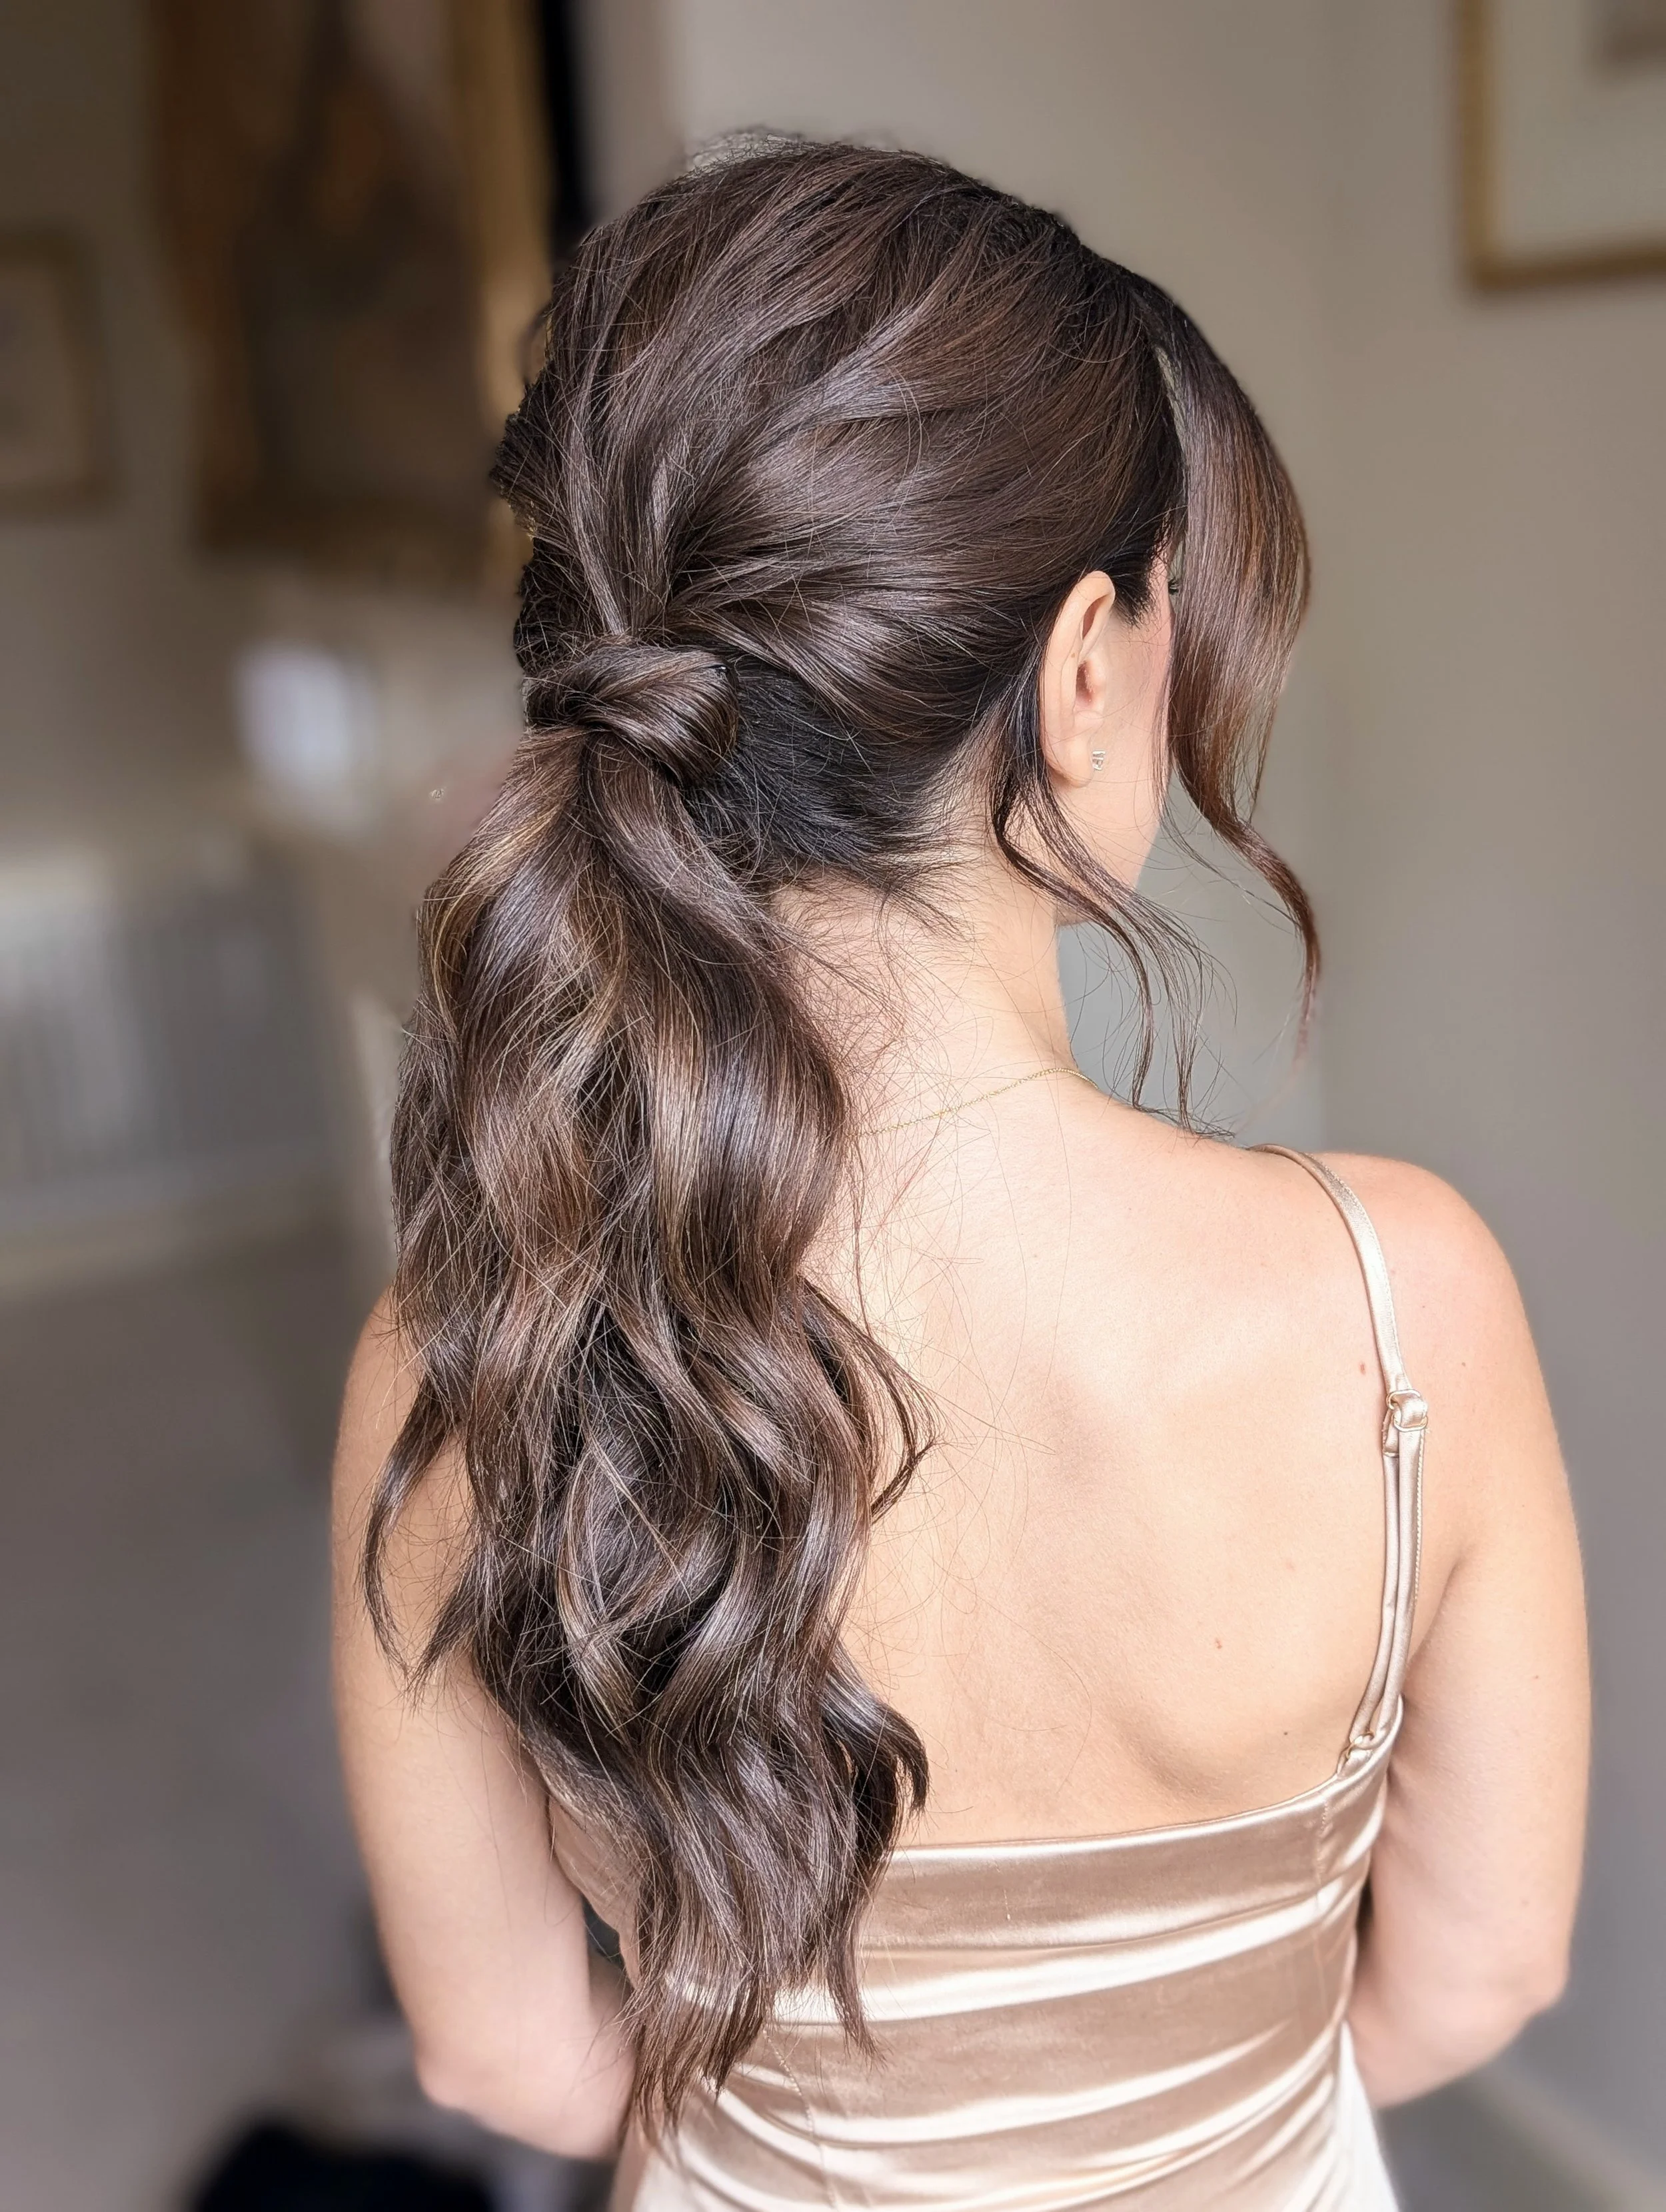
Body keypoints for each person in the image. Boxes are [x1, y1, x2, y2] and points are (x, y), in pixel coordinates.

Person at [331, 140, 1589, 2209]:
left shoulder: (470, 1343)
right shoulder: (1402, 1304)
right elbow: (1481, 1969)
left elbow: (497, 2051)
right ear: (1083, 667)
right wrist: (1182, 2128)